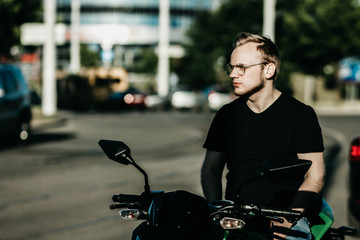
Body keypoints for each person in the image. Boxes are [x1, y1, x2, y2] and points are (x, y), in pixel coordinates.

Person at [201, 32, 325, 240]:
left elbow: (315, 175)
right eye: (232, 67)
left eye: (242, 68)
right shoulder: (226, 115)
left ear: (268, 70)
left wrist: (289, 218)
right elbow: (210, 169)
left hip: (286, 214)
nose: (233, 74)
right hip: (235, 215)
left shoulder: (301, 115)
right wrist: (216, 209)